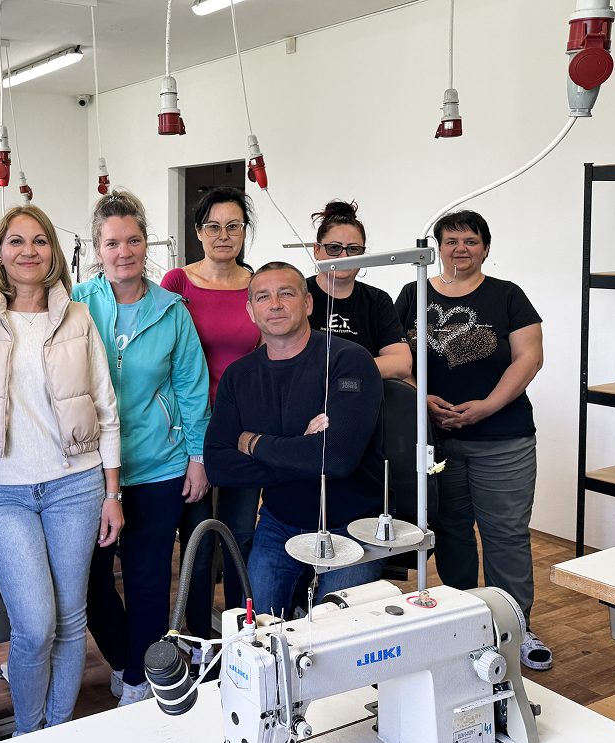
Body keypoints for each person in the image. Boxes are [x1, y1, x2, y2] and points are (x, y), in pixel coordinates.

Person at [0, 205, 122, 735]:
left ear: (53, 253)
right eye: (16, 241)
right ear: (0, 252)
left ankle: (57, 734)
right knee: (36, 625)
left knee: (71, 619)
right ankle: (27, 738)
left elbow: (105, 407)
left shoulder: (78, 316)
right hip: (1, 491)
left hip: (76, 484)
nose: (29, 251)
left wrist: (112, 492)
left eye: (40, 240)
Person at [394, 210, 550, 671]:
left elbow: (529, 358)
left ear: (485, 247)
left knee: (506, 536)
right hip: (436, 441)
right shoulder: (413, 293)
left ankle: (514, 628)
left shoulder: (507, 296)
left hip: (502, 439)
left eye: (471, 240)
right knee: (452, 533)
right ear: (437, 248)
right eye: (451, 240)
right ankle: (463, 625)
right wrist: (420, 398)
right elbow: (397, 359)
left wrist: (488, 405)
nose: (460, 248)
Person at [73, 189, 211, 706]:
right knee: (89, 582)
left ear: (146, 244)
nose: (124, 252)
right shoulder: (75, 303)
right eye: (112, 243)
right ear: (97, 249)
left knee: (148, 578)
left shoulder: (172, 311)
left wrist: (197, 458)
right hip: (89, 467)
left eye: (133, 240)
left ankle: (139, 680)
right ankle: (123, 658)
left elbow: (191, 389)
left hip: (158, 465)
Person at [205, 262, 385, 619]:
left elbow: (336, 460)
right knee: (257, 628)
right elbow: (218, 465)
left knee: (338, 631)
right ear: (250, 310)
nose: (274, 304)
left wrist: (255, 443)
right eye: (263, 297)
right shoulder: (240, 375)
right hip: (279, 522)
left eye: (286, 293)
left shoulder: (349, 361)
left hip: (352, 524)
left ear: (308, 303)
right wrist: (303, 451)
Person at [160, 187, 261, 655]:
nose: (224, 235)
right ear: (198, 232)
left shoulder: (257, 284)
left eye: (233, 226)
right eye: (213, 226)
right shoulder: (178, 282)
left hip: (242, 431)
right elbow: (163, 354)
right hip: (189, 431)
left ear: (244, 231)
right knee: (199, 543)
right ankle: (198, 637)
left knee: (241, 537)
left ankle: (243, 637)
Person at [306, 200, 412, 380]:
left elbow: (402, 364)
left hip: (361, 393)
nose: (344, 257)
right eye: (334, 248)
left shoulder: (377, 301)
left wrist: (336, 370)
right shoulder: (297, 294)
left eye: (353, 249)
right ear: (317, 250)